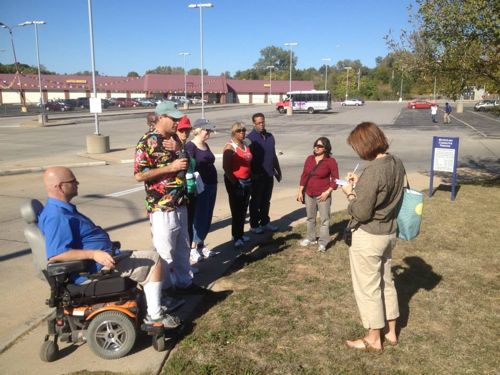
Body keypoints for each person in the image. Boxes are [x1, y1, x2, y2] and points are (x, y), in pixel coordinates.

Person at [38, 166, 181, 328]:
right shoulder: (56, 216)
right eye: (72, 181)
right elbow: (57, 254)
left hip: (102, 260)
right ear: (59, 187)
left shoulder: (59, 210)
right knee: (154, 261)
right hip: (93, 270)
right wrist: (94, 254)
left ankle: (154, 301)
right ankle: (155, 316)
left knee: (144, 257)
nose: (77, 183)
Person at [341, 122, 405, 351]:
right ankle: (391, 332)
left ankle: (373, 338)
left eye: (356, 146)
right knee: (386, 282)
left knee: (368, 288)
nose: (357, 151)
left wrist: (350, 194)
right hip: (389, 232)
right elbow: (385, 190)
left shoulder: (372, 170)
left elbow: (361, 211)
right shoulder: (396, 162)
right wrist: (362, 185)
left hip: (369, 236)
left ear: (364, 144)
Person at [134, 101, 204, 295]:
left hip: (181, 202)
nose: (177, 123)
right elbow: (139, 174)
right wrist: (169, 168)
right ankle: (163, 292)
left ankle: (184, 284)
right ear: (161, 117)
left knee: (182, 248)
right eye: (173, 119)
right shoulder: (147, 141)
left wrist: (179, 148)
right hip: (161, 206)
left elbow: (187, 162)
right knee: (164, 252)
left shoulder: (174, 139)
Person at [296, 137, 339, 252]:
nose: (316, 147)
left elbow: (335, 179)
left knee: (325, 219)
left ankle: (323, 242)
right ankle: (311, 238)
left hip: (323, 194)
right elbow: (304, 175)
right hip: (309, 193)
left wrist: (327, 192)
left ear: (325, 148)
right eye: (315, 145)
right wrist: (300, 190)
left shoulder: (330, 161)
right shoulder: (309, 159)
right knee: (310, 217)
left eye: (319, 146)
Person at [185, 118, 218, 259]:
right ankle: (193, 248)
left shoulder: (205, 145)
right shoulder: (190, 146)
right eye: (207, 130)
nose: (209, 132)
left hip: (212, 184)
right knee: (199, 217)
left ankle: (201, 245)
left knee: (207, 216)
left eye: (209, 129)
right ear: (198, 130)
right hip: (200, 187)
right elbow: (189, 168)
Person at [247, 113, 282, 234]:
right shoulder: (249, 139)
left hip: (269, 174)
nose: (261, 125)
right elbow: (247, 159)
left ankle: (265, 222)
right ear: (253, 124)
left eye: (262, 122)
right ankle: (254, 225)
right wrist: (251, 174)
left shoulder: (270, 136)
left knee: (266, 200)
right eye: (258, 123)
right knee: (255, 201)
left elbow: (273, 155)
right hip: (257, 176)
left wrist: (278, 170)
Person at [222, 122, 253, 248]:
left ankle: (240, 234)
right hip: (236, 182)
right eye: (239, 131)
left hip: (247, 181)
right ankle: (236, 237)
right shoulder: (230, 147)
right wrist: (235, 183)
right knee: (236, 211)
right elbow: (226, 167)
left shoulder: (245, 145)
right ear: (233, 133)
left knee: (244, 209)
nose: (242, 133)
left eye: (244, 130)